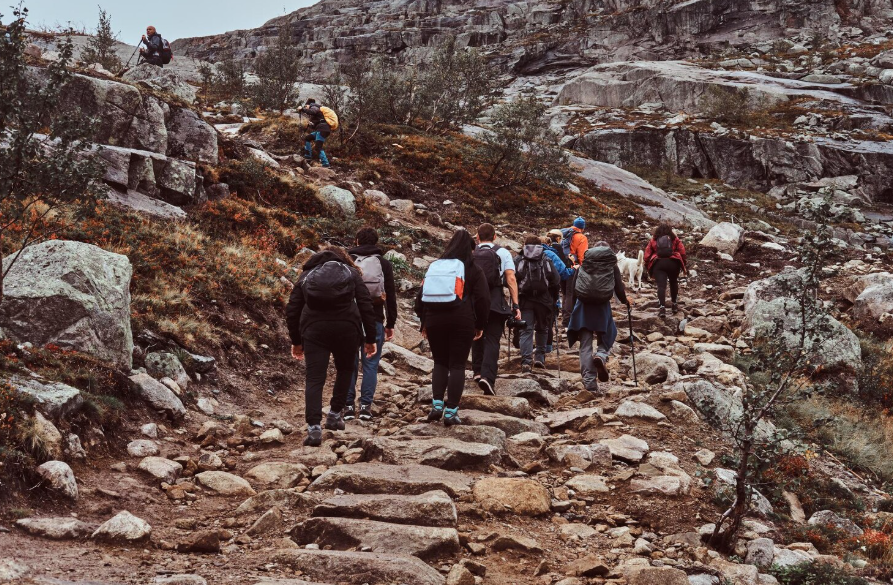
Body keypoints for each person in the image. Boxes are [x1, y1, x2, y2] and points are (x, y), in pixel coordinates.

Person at [286, 246, 377, 446]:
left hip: (314, 329)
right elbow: (365, 305)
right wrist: (370, 338)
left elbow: (292, 308)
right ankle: (335, 414)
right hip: (347, 328)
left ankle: (314, 429)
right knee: (345, 370)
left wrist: (296, 341)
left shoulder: (308, 274)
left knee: (315, 377)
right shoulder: (351, 273)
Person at [415, 230, 490, 426]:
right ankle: (451, 412)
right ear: (471, 248)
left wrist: (424, 321)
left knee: (439, 362)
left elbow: (420, 298)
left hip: (434, 320)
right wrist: (480, 324)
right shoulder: (473, 268)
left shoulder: (436, 266)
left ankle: (437, 405)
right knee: (457, 364)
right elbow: (483, 299)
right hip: (462, 320)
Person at [344, 227, 398, 421]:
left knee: (348, 364)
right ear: (376, 243)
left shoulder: (346, 261)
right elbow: (390, 296)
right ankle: (365, 407)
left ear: (357, 240)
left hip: (348, 320)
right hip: (374, 319)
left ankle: (348, 406)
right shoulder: (383, 263)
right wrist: (390, 323)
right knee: (370, 365)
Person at [565, 242, 631, 393]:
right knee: (609, 334)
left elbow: (574, 290)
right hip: (602, 307)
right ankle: (601, 355)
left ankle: (589, 382)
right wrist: (625, 301)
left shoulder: (583, 265)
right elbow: (619, 289)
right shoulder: (611, 267)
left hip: (583, 308)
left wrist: (572, 311)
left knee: (585, 345)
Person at [471, 223, 521, 395]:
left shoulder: (472, 252)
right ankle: (487, 376)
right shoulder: (503, 252)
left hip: (474, 300)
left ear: (477, 237)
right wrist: (515, 305)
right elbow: (511, 279)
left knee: (476, 334)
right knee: (492, 339)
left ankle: (477, 371)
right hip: (495, 300)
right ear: (494, 237)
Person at [514, 235, 560, 372]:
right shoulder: (546, 258)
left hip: (525, 300)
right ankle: (540, 358)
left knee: (526, 330)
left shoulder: (519, 258)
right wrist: (553, 298)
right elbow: (556, 280)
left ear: (524, 244)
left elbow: (509, 279)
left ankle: (526, 362)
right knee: (542, 328)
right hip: (544, 301)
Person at [643, 223, 688, 317]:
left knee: (661, 286)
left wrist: (647, 265)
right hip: (673, 262)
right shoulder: (674, 238)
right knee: (673, 282)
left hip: (658, 263)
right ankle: (674, 304)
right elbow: (682, 251)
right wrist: (683, 262)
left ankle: (662, 308)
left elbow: (647, 255)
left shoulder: (654, 239)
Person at [542, 234, 576, 351]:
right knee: (548, 321)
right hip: (550, 292)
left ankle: (528, 350)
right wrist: (573, 268)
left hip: (529, 295)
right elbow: (562, 269)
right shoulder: (552, 253)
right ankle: (547, 347)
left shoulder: (524, 254)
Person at [302, 99, 331, 168]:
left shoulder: (314, 106)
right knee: (307, 138)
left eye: (306, 106)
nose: (305, 107)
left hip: (322, 129)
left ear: (308, 104)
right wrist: (312, 125)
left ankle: (326, 164)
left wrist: (302, 109)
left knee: (318, 147)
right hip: (322, 129)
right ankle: (308, 157)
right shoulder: (318, 114)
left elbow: (312, 111)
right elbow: (316, 125)